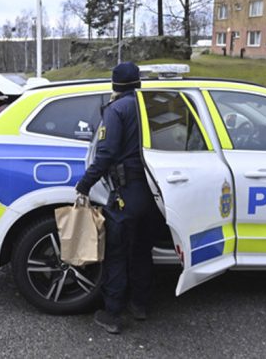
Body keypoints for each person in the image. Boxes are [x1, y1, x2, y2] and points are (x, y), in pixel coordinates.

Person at [75, 61, 160, 335]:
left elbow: (107, 153)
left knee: (117, 253)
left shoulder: (116, 109)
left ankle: (112, 313)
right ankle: (140, 305)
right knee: (142, 250)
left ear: (115, 84)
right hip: (154, 193)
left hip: (126, 192)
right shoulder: (151, 106)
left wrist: (84, 185)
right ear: (138, 82)